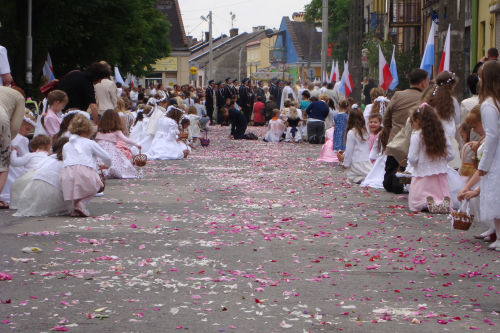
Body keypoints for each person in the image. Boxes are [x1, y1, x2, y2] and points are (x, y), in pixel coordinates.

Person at [381, 68, 429, 194]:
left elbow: (386, 119)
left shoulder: (398, 95)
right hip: (417, 142)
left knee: (390, 174)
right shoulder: (425, 100)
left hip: (396, 141)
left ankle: (395, 182)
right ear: (423, 82)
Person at [60, 114, 111, 217]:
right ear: (89, 130)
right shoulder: (89, 143)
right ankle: (82, 203)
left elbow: (65, 159)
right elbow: (107, 157)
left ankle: (77, 207)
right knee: (96, 186)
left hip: (66, 172)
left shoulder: (67, 144)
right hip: (84, 169)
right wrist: (107, 165)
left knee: (75, 190)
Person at [407, 104, 454, 213]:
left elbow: (412, 158)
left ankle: (426, 203)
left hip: (422, 176)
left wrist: (415, 166)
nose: (412, 124)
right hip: (440, 176)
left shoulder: (416, 136)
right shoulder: (442, 135)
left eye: (412, 121)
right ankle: (441, 203)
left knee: (415, 202)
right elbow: (451, 154)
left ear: (418, 120)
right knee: (442, 194)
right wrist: (441, 163)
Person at [12, 137, 72, 217]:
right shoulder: (67, 161)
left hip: (34, 185)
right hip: (51, 189)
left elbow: (38, 168)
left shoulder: (50, 158)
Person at [475, 61, 500, 250]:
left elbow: (491, 135)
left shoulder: (488, 105)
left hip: (495, 156)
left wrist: (483, 164)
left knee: (494, 193)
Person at [0, 110, 36, 203]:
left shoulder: (6, 134)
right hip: (15, 164)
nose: (28, 133)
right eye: (27, 129)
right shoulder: (22, 139)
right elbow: (25, 155)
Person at [95, 110, 140, 179]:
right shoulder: (117, 131)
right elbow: (125, 139)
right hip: (111, 149)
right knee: (116, 161)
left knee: (100, 161)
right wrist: (136, 144)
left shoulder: (100, 130)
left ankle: (101, 171)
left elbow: (96, 140)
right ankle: (112, 170)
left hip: (100, 148)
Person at [0, 87, 25, 208]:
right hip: (1, 120)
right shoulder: (19, 98)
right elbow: (15, 127)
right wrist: (7, 142)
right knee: (3, 165)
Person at [342, 109, 372, 184]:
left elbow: (349, 151)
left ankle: (359, 178)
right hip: (366, 161)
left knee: (350, 176)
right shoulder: (365, 131)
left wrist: (346, 164)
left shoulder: (351, 132)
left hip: (356, 162)